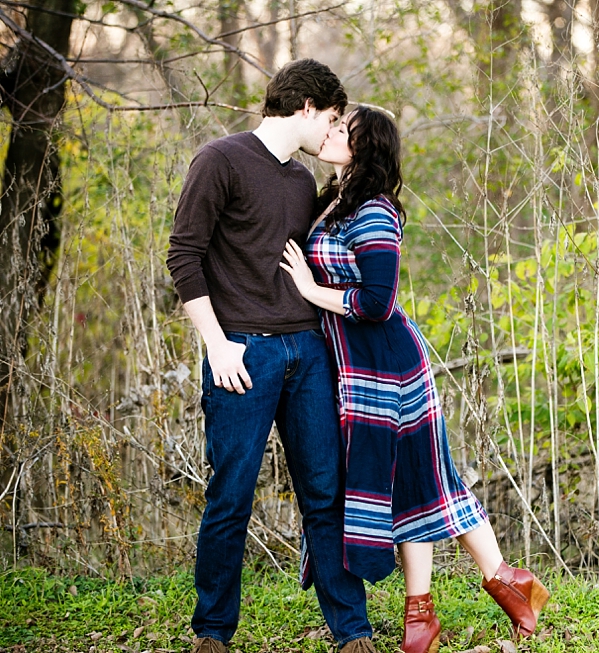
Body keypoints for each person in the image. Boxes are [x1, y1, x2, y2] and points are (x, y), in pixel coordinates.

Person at [279, 106, 550, 653]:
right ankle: (455, 600)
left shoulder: (375, 211)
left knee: (428, 482)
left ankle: (488, 586)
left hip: (391, 368)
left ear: (365, 147)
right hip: (354, 370)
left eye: (342, 130)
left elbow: (378, 303)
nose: (330, 134)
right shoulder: (331, 199)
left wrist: (310, 291)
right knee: (410, 486)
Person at [166, 60, 378, 653]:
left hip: (308, 351)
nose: (333, 132)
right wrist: (216, 342)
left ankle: (351, 633)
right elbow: (184, 256)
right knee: (231, 492)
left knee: (324, 492)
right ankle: (213, 633)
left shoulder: (300, 184)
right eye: (332, 118)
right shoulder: (220, 160)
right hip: (243, 353)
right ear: (307, 107)